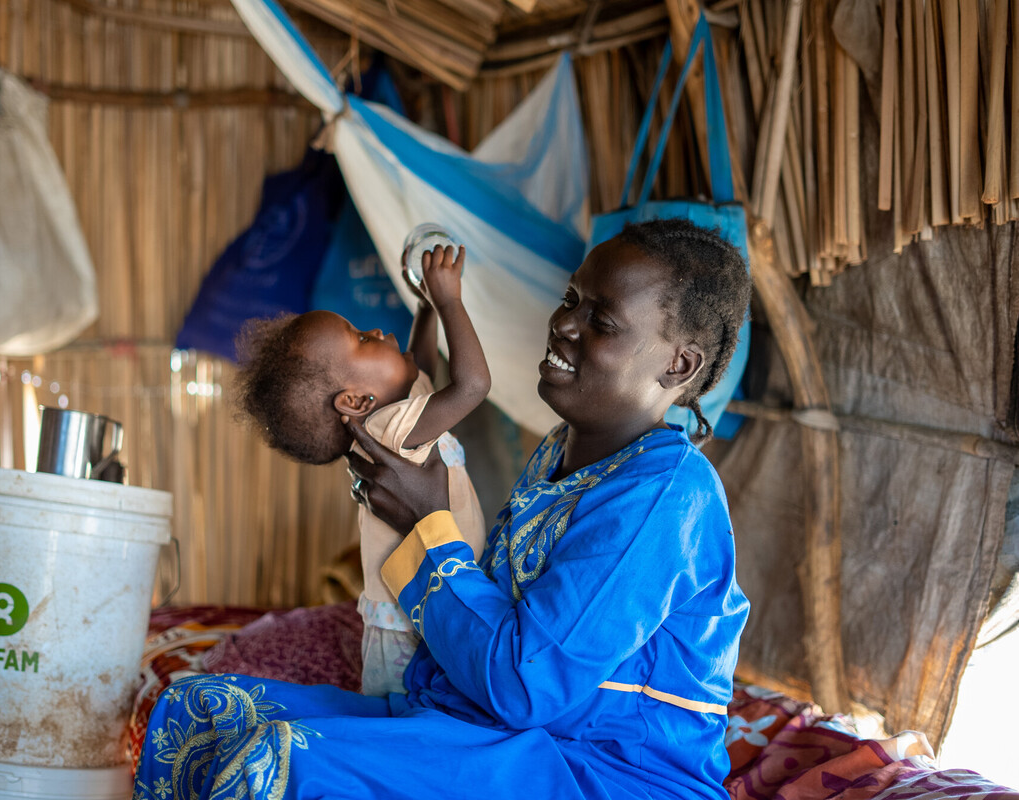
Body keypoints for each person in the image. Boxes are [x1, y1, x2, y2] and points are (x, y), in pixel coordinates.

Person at [133, 218, 752, 800]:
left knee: (282, 765)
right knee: (197, 712)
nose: (564, 325)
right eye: (571, 301)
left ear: (680, 364)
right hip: (485, 726)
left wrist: (425, 526)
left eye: (603, 322)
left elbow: (525, 683)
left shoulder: (665, 497)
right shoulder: (559, 455)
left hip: (598, 770)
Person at [232, 243, 489, 696]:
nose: (374, 329)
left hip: (421, 612)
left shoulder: (396, 414)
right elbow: (473, 385)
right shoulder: (390, 431)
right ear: (355, 402)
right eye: (363, 340)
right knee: (407, 731)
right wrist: (450, 301)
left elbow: (421, 367)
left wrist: (426, 309)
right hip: (409, 634)